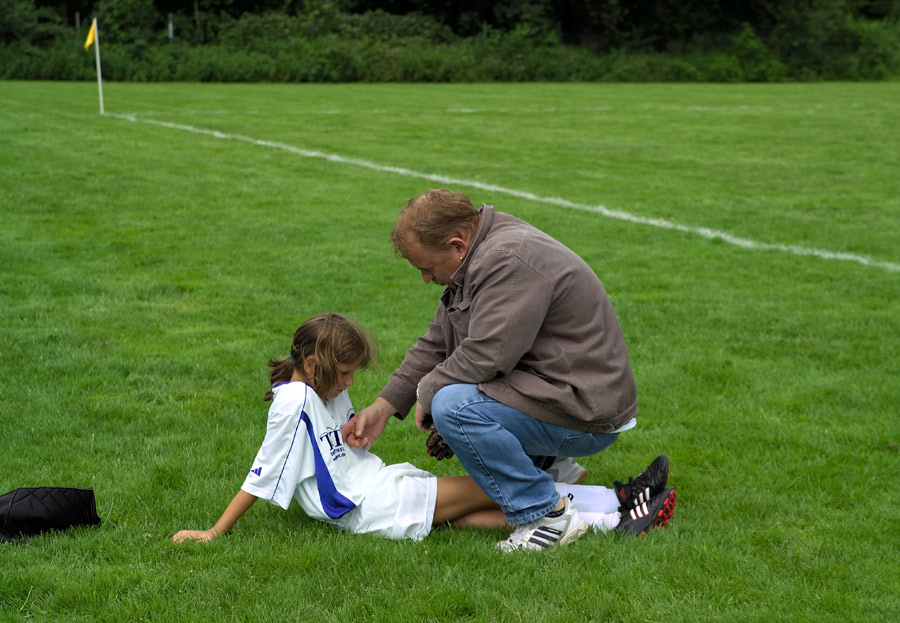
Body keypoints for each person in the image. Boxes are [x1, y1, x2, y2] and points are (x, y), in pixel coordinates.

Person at [342, 190, 676, 551]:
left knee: (454, 407)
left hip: (586, 411)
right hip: (561, 392)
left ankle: (547, 516)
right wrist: (384, 406)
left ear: (457, 245)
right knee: (456, 406)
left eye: (427, 267)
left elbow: (488, 355)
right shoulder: (478, 254)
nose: (425, 278)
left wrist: (429, 393)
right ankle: (562, 477)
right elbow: (438, 341)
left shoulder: (507, 259)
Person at [172, 313, 655, 545]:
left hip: (380, 489)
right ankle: (611, 507)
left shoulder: (319, 387)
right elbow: (261, 474)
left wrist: (351, 432)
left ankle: (607, 507)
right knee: (503, 488)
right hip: (370, 506)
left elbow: (328, 446)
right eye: (344, 374)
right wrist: (214, 532)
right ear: (315, 364)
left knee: (504, 511)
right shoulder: (294, 401)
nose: (350, 383)